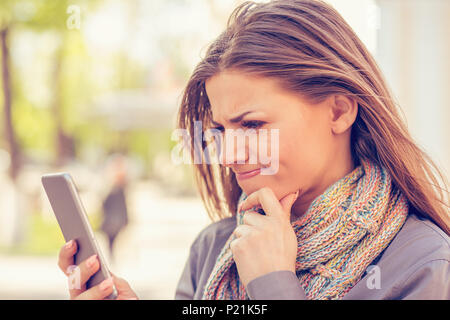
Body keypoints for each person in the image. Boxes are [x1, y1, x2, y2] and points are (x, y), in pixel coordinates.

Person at [56, 0, 449, 300]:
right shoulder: (214, 249)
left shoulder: (424, 267)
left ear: (339, 110)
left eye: (253, 125)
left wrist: (273, 284)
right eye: (221, 130)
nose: (228, 156)